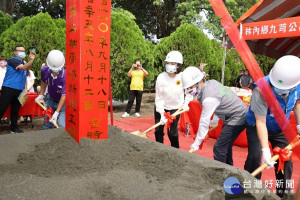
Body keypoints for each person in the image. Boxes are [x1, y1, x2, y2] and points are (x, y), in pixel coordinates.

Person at [244, 55, 300, 197]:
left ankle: (283, 193)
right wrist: (265, 150)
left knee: (286, 159)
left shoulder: (297, 82)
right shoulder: (261, 89)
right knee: (255, 157)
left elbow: (297, 103)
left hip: (280, 125)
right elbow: (260, 122)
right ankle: (250, 191)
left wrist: (299, 125)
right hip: (256, 124)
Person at [182, 66, 248, 166]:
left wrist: (197, 142)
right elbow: (220, 101)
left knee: (219, 147)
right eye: (187, 88)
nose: (189, 90)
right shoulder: (211, 83)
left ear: (199, 82)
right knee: (226, 145)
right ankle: (230, 169)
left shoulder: (209, 98)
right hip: (234, 115)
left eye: (191, 87)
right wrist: (216, 120)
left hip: (238, 117)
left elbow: (204, 121)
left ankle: (221, 173)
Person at [0, 46, 35, 133]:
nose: (22, 52)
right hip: (9, 88)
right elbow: (23, 68)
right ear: (15, 52)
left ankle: (14, 128)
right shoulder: (12, 60)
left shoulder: (24, 62)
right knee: (2, 108)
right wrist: (32, 60)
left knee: (15, 110)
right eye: (20, 51)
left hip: (19, 90)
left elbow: (25, 77)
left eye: (23, 51)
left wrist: (26, 89)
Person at [154, 50, 185, 148]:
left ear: (179, 65)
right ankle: (159, 149)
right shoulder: (161, 77)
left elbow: (189, 93)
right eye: (167, 63)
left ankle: (175, 150)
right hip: (162, 107)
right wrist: (162, 113)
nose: (169, 65)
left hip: (175, 108)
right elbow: (158, 98)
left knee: (172, 132)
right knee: (158, 130)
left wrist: (186, 103)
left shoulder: (183, 77)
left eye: (172, 63)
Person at [35, 50, 66, 129]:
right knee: (47, 123)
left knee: (61, 124)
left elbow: (64, 96)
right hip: (50, 99)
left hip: (62, 103)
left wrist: (56, 113)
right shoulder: (44, 70)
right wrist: (41, 94)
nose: (55, 72)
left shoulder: (65, 76)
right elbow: (43, 81)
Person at [0, 56, 9, 124]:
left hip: (6, 88)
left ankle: (5, 117)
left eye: (4, 61)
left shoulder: (8, 69)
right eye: (1, 61)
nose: (3, 62)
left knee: (6, 104)